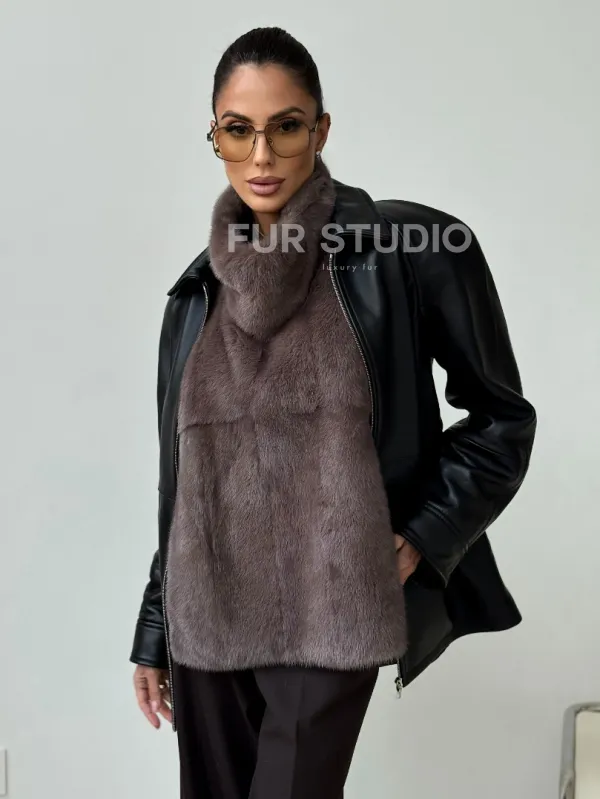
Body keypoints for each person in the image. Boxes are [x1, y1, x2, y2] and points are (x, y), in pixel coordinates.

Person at [129, 25, 537, 799]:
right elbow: (181, 484)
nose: (261, 155)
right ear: (214, 137)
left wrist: (421, 534)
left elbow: (502, 419)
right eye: (238, 130)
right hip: (208, 610)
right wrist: (156, 625)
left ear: (320, 129)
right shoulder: (195, 295)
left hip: (334, 603)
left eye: (285, 126)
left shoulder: (411, 248)